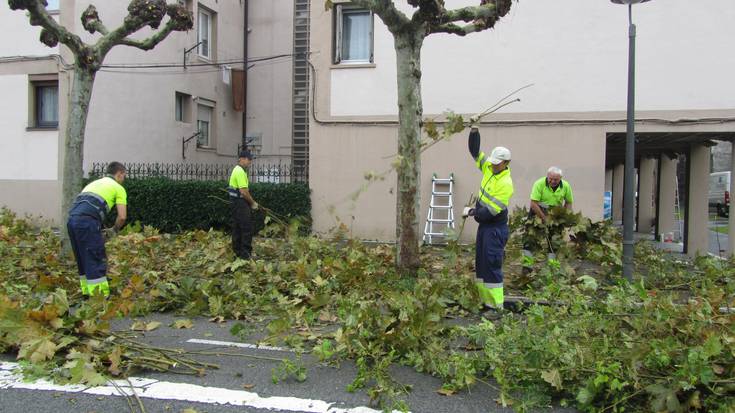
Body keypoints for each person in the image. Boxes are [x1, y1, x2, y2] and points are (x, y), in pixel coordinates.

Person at [462, 127, 514, 314]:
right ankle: (485, 302)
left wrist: (471, 212)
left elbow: (489, 212)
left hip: (494, 228)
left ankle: (496, 306)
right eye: (492, 162)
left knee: (491, 265)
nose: (492, 165)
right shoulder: (489, 168)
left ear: (506, 163)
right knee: (481, 265)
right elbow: (474, 152)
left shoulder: (505, 184)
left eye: (497, 163)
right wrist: (474, 131)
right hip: (484, 228)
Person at [67, 161, 127, 297]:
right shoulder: (118, 188)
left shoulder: (93, 184)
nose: (124, 179)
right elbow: (122, 217)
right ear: (119, 173)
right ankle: (100, 297)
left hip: (72, 220)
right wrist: (114, 230)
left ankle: (87, 293)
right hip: (87, 222)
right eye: (124, 176)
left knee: (82, 257)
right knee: (95, 257)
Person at [522, 167, 574, 267]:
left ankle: (553, 267)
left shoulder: (566, 186)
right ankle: (527, 267)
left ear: (560, 178)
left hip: (555, 214)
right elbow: (533, 203)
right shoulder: (539, 183)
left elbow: (568, 202)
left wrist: (565, 216)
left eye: (556, 180)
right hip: (537, 211)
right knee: (529, 239)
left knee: (554, 241)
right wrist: (544, 218)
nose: (553, 181)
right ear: (547, 176)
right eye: (551, 179)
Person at [228, 150, 259, 259]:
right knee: (246, 228)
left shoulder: (237, 170)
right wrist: (252, 203)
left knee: (237, 227)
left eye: (250, 159)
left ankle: (237, 252)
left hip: (235, 202)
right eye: (248, 159)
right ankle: (246, 254)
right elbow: (243, 191)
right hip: (240, 203)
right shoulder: (240, 171)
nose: (250, 162)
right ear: (242, 159)